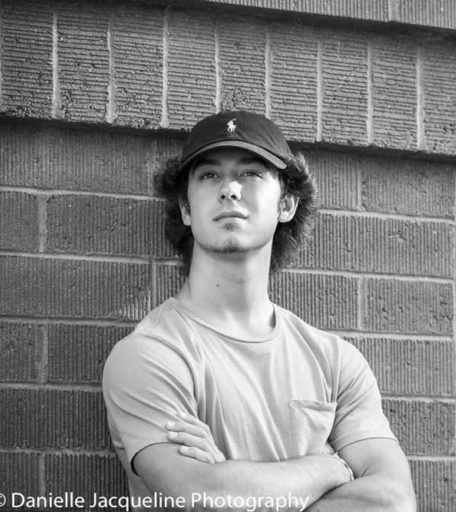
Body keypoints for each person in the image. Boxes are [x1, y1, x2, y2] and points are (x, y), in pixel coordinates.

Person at [102, 111, 416, 511]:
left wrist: (238, 483)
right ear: (185, 207)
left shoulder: (336, 362)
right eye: (209, 175)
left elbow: (391, 501)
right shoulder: (151, 355)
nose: (229, 188)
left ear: (285, 204)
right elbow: (205, 496)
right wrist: (328, 469)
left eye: (250, 173)